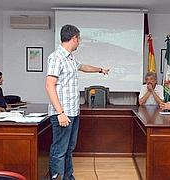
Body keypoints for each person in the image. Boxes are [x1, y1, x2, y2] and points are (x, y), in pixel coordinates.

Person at [45, 24, 109, 180]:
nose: (79, 42)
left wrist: (100, 70)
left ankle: (68, 177)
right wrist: (60, 113)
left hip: (73, 112)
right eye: (79, 39)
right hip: (63, 114)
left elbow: (83, 67)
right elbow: (49, 85)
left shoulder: (70, 58)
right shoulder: (56, 57)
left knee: (68, 149)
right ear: (74, 38)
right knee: (59, 150)